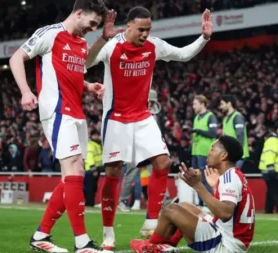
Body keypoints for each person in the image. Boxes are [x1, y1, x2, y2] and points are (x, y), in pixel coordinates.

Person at [85, 6, 213, 249]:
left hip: (143, 117)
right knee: (113, 173)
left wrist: (204, 37)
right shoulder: (112, 46)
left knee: (163, 163)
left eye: (148, 29)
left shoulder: (154, 46)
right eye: (141, 29)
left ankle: (152, 220)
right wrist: (102, 38)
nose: (145, 34)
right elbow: (86, 62)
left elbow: (183, 55)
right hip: (116, 119)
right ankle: (108, 234)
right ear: (129, 26)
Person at [9, 0, 121, 252]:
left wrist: (89, 85)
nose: (91, 29)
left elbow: (80, 67)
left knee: (73, 175)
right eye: (91, 23)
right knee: (75, 169)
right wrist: (26, 92)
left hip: (76, 112)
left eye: (96, 26)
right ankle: (82, 242)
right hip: (57, 112)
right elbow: (17, 57)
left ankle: (41, 236)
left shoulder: (80, 43)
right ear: (79, 13)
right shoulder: (50, 34)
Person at [130, 135, 255, 253]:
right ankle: (168, 244)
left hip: (226, 245)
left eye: (212, 149)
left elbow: (225, 213)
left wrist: (198, 186)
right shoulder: (233, 175)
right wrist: (215, 188)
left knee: (171, 210)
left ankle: (152, 247)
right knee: (185, 206)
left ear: (223, 155)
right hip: (229, 237)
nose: (209, 152)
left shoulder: (230, 177)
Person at [191, 95, 218, 205]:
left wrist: (198, 130)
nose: (193, 107)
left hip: (206, 152)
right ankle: (201, 202)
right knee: (196, 178)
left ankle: (209, 202)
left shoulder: (210, 116)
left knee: (206, 178)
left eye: (195, 104)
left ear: (202, 104)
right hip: (196, 151)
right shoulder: (196, 118)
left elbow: (213, 133)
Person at [259, 121, 278, 214]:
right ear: (276, 131)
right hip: (272, 171)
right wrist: (271, 168)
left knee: (271, 192)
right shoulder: (273, 140)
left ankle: (269, 210)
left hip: (276, 171)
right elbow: (269, 155)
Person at [219, 94, 249, 169]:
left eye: (222, 104)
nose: (220, 106)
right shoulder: (225, 119)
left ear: (229, 104)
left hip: (236, 156)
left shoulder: (237, 117)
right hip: (229, 155)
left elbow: (240, 135)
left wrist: (237, 153)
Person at [84, 130, 103, 207]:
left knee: (93, 188)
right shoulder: (90, 145)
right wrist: (93, 169)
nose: (96, 137)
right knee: (90, 188)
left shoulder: (97, 145)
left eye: (97, 135)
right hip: (91, 170)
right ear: (91, 136)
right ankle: (89, 203)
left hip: (96, 169)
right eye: (94, 135)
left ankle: (90, 202)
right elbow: (89, 158)